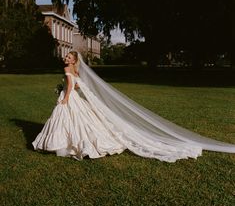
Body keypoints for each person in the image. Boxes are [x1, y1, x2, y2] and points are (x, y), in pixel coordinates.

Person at [33, 51, 235, 162]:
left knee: (68, 120)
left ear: (74, 61)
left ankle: (66, 145)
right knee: (78, 123)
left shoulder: (68, 70)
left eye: (69, 57)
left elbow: (70, 87)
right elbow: (74, 85)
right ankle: (69, 144)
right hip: (74, 98)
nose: (66, 59)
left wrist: (65, 99)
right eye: (67, 57)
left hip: (70, 100)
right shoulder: (76, 71)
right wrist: (67, 91)